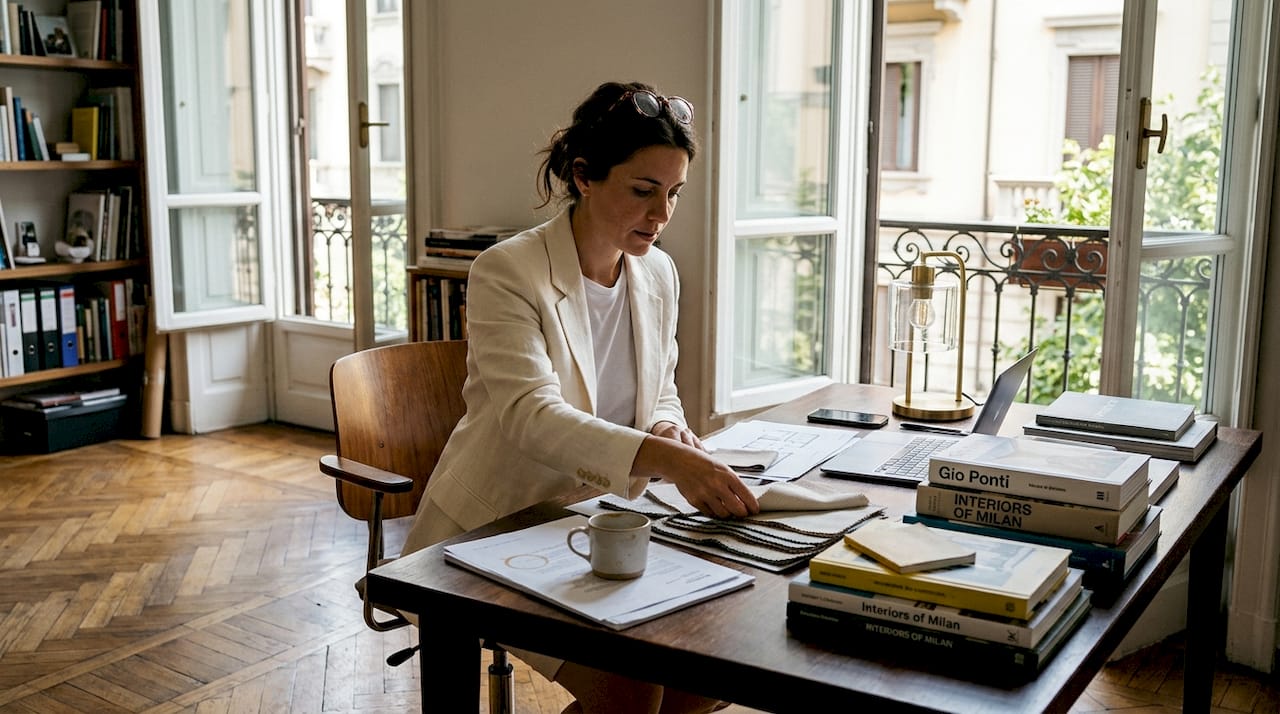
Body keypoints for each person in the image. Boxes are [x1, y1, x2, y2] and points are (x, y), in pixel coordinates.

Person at [401, 81, 760, 714]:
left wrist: (669, 430)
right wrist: (667, 461)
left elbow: (662, 391)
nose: (663, 215)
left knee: (709, 668)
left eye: (673, 192)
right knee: (627, 688)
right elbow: (531, 418)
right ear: (584, 176)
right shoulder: (507, 271)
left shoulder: (658, 273)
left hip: (601, 522)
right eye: (644, 191)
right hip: (497, 525)